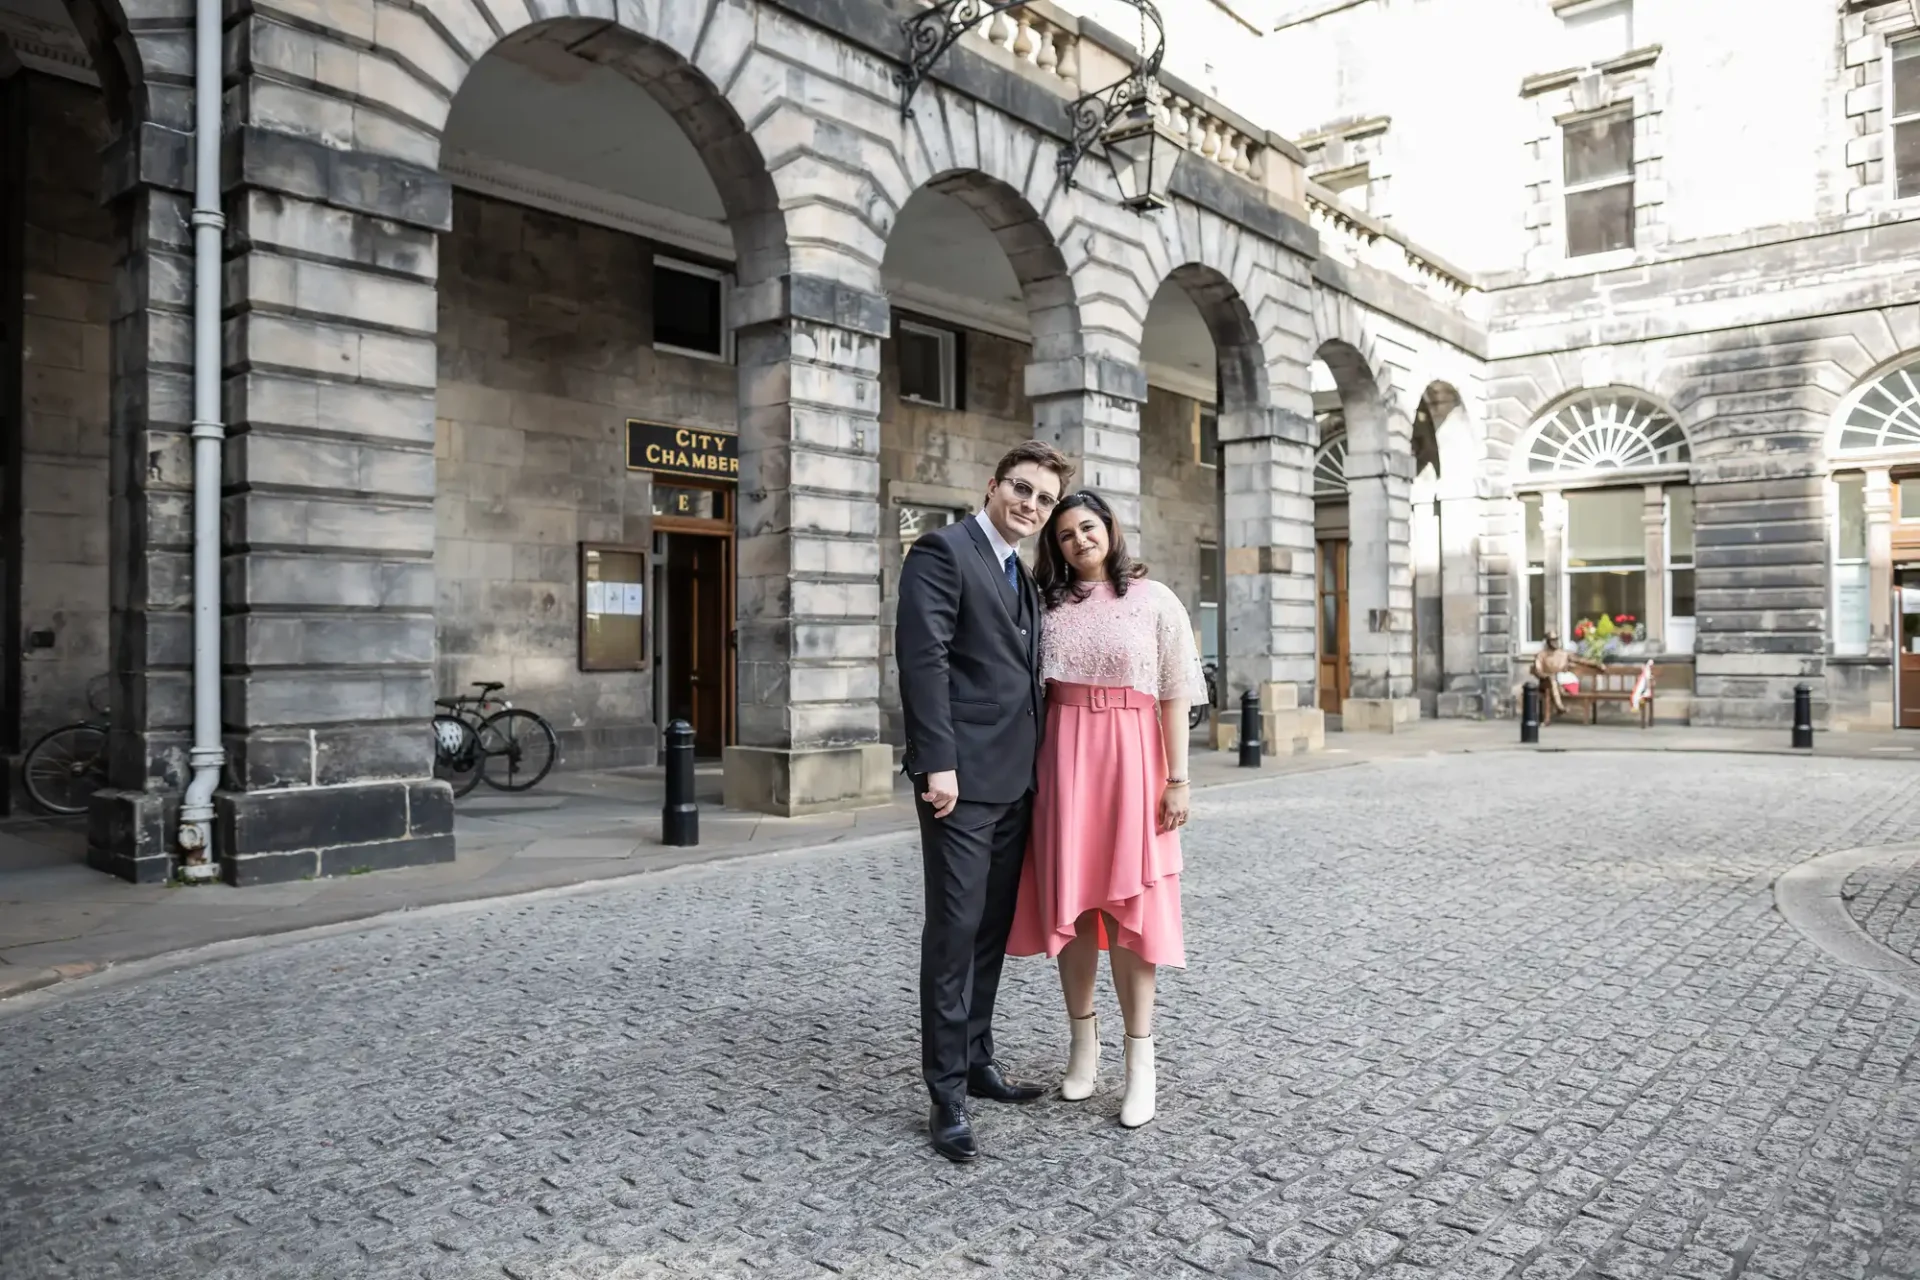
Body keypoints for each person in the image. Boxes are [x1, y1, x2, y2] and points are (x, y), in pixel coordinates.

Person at [895, 439, 1076, 1163]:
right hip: (960, 786)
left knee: (990, 934)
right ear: (993, 484)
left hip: (1017, 783)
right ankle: (944, 1097)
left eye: (1044, 499)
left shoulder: (1024, 577)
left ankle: (976, 1059)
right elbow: (923, 659)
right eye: (1022, 490)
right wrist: (937, 763)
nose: (1031, 506)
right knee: (954, 934)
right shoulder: (943, 552)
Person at [1007, 489, 1205, 1129]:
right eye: (1065, 535)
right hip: (1063, 759)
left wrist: (1177, 778)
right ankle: (1082, 1041)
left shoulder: (1155, 601)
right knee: (1075, 902)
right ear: (1055, 546)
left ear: (1111, 530)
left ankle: (1140, 1061)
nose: (1079, 541)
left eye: (1087, 528)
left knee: (1131, 908)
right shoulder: (1046, 605)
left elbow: (1174, 693)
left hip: (1133, 757)